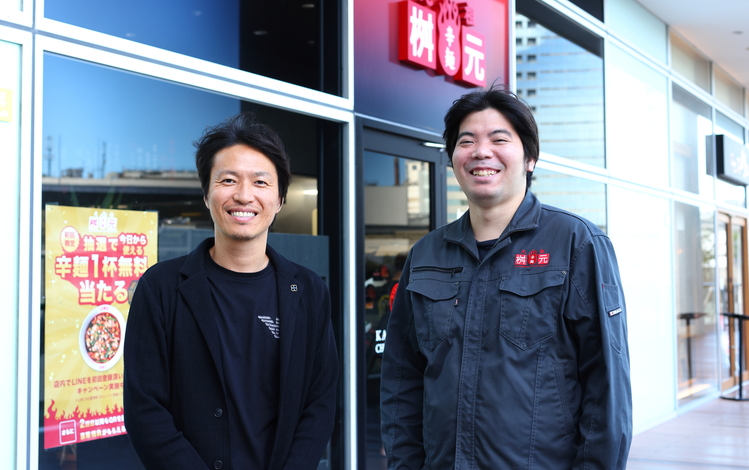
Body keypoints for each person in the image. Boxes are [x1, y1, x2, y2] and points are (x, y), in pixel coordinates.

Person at [380, 87, 632, 469]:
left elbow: (606, 385)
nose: (481, 152)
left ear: (530, 158)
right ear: (452, 159)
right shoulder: (426, 254)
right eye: (467, 141)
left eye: (499, 139)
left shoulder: (576, 243)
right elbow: (402, 380)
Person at [124, 113, 338, 470]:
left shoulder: (309, 290)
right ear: (206, 194)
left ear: (279, 199)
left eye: (260, 182)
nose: (243, 195)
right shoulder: (160, 288)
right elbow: (144, 410)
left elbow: (320, 402)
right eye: (228, 180)